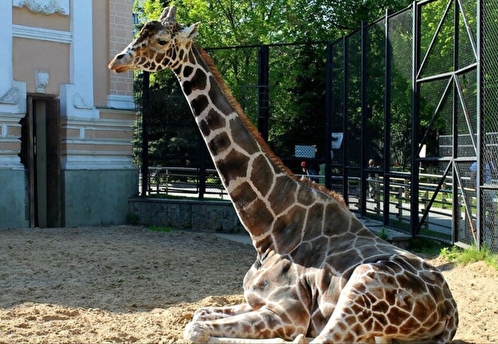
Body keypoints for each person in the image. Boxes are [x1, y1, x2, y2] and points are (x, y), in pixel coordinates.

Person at [469, 149, 497, 244]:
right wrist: (475, 188)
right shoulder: (476, 164)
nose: (490, 156)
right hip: (480, 188)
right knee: (482, 207)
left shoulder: (490, 163)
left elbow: (494, 173)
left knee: (493, 205)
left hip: (489, 187)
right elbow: (472, 177)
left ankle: (489, 221)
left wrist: (491, 165)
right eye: (488, 154)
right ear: (484, 155)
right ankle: (481, 224)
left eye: (491, 154)